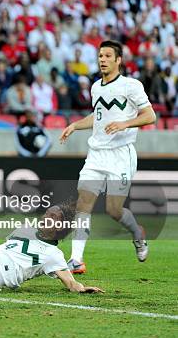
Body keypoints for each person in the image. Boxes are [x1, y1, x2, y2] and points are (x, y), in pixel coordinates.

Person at [60, 40, 156, 273]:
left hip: (121, 156)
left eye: (107, 56)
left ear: (118, 60)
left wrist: (125, 123)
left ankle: (137, 233)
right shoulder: (96, 87)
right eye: (100, 55)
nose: (102, 59)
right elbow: (98, 116)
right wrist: (75, 125)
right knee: (84, 203)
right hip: (96, 154)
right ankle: (76, 260)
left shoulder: (130, 86)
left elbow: (150, 116)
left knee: (114, 210)